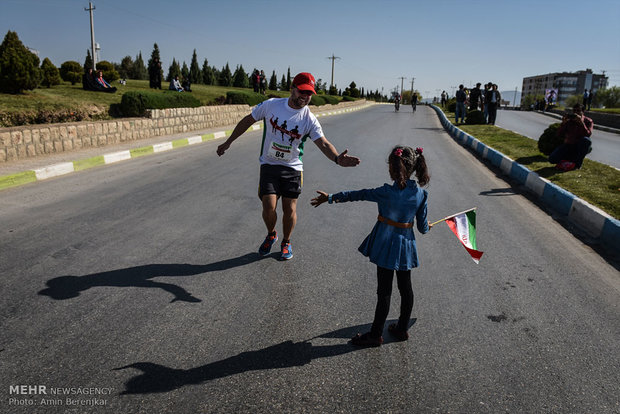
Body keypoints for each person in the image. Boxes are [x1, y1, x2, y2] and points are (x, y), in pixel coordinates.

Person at [216, 72, 361, 261]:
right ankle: (271, 234)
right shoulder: (271, 106)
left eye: (309, 93)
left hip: (293, 168)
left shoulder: (309, 118)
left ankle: (286, 241)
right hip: (269, 164)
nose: (305, 97)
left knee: (289, 209)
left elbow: (323, 143)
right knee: (268, 205)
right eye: (302, 91)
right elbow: (247, 121)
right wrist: (228, 142)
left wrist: (336, 159)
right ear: (292, 89)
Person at [310, 145, 430, 347]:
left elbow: (358, 194)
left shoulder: (385, 192)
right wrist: (426, 225)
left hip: (385, 244)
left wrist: (330, 198)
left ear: (393, 168)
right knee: (405, 288)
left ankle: (375, 334)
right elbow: (423, 228)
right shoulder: (421, 195)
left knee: (384, 291)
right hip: (405, 248)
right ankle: (401, 329)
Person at [549, 104, 593, 171]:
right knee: (552, 159)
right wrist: (563, 123)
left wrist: (581, 123)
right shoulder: (569, 121)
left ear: (583, 112)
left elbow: (588, 134)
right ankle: (568, 160)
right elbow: (559, 134)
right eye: (574, 111)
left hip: (579, 146)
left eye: (578, 111)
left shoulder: (588, 121)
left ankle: (577, 164)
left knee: (586, 140)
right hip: (568, 145)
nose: (576, 113)